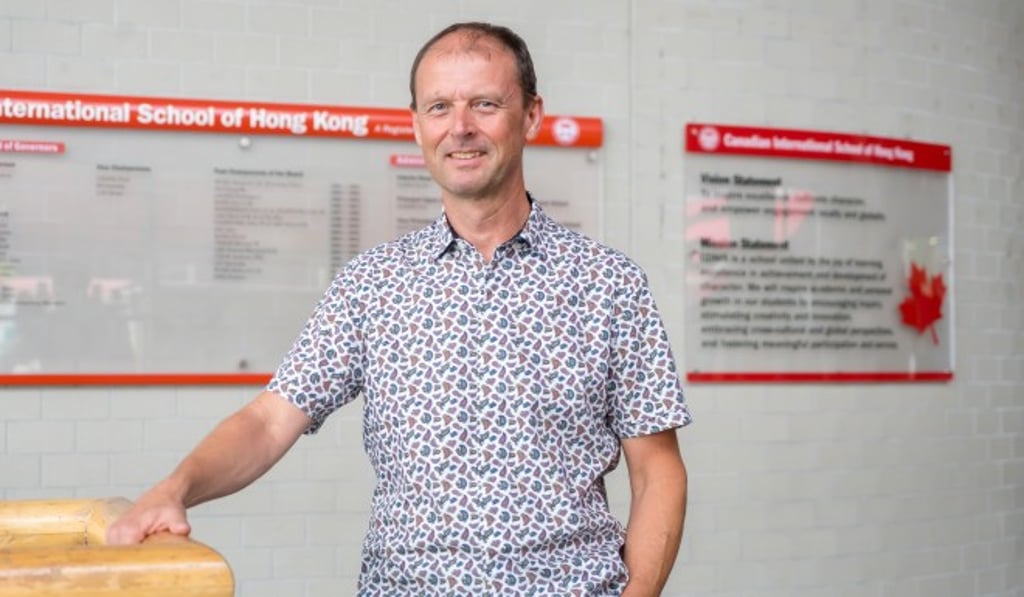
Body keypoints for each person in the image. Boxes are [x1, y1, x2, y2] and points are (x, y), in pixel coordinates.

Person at [108, 21, 692, 596]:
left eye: (485, 104)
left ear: (531, 115)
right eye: (439, 107)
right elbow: (268, 422)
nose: (460, 127)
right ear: (416, 125)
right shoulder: (373, 284)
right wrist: (175, 488)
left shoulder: (609, 285)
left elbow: (657, 470)